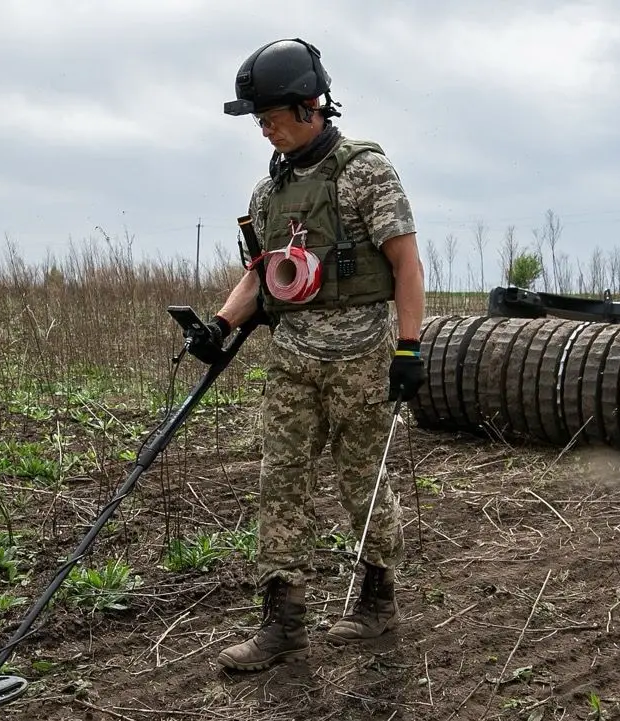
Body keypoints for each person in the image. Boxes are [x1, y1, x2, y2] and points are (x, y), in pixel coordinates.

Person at [187, 37, 426, 672]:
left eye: (270, 116)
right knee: (280, 483)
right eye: (259, 120)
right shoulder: (270, 194)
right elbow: (264, 275)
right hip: (294, 358)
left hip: (361, 358)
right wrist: (218, 324)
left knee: (361, 486)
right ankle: (282, 625)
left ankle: (377, 602)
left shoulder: (364, 172)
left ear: (310, 104)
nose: (264, 129)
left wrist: (409, 348)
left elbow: (406, 264)